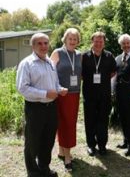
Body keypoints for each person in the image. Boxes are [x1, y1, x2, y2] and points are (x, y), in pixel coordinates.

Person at [16, 33, 68, 177]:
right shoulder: (27, 63)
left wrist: (59, 89)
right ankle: (33, 172)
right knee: (32, 142)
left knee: (48, 139)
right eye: (40, 43)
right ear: (33, 46)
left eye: (46, 43)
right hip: (35, 108)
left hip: (51, 107)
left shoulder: (50, 62)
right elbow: (22, 88)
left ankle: (44, 168)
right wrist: (45, 93)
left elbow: (55, 83)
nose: (44, 46)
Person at [50, 28, 81, 171]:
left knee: (69, 123)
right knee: (64, 122)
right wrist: (57, 88)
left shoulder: (79, 55)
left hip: (75, 94)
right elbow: (50, 73)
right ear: (65, 39)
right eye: (70, 38)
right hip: (62, 94)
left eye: (75, 39)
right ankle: (67, 157)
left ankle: (62, 151)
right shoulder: (57, 53)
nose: (73, 41)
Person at [82, 32, 116, 156]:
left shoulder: (109, 56)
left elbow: (113, 73)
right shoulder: (84, 56)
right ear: (92, 41)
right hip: (89, 95)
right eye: (96, 41)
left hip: (104, 95)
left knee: (103, 121)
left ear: (104, 43)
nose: (98, 44)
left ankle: (102, 145)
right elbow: (80, 74)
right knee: (89, 120)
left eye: (100, 41)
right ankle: (91, 145)